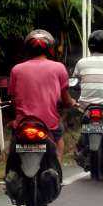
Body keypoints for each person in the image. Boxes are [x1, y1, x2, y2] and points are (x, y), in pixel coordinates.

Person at [7, 29, 74, 162]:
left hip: (23, 124)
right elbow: (66, 99)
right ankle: (57, 170)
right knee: (59, 139)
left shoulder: (16, 69)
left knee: (14, 145)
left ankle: (11, 169)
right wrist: (70, 103)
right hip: (50, 124)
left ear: (28, 49)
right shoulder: (59, 67)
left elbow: (14, 101)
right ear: (50, 49)